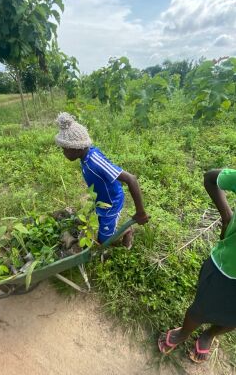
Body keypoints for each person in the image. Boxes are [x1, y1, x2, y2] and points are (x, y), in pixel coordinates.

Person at [158, 168, 236, 363]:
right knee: (200, 308)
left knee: (233, 319)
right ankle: (183, 333)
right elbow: (211, 178)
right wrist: (226, 216)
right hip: (227, 267)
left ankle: (209, 335)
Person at [55, 112, 149, 247]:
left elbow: (131, 179)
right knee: (100, 229)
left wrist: (140, 212)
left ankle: (127, 230)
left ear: (77, 148)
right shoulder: (84, 157)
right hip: (102, 201)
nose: (63, 153)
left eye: (65, 149)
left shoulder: (95, 161)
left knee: (104, 241)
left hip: (111, 203)